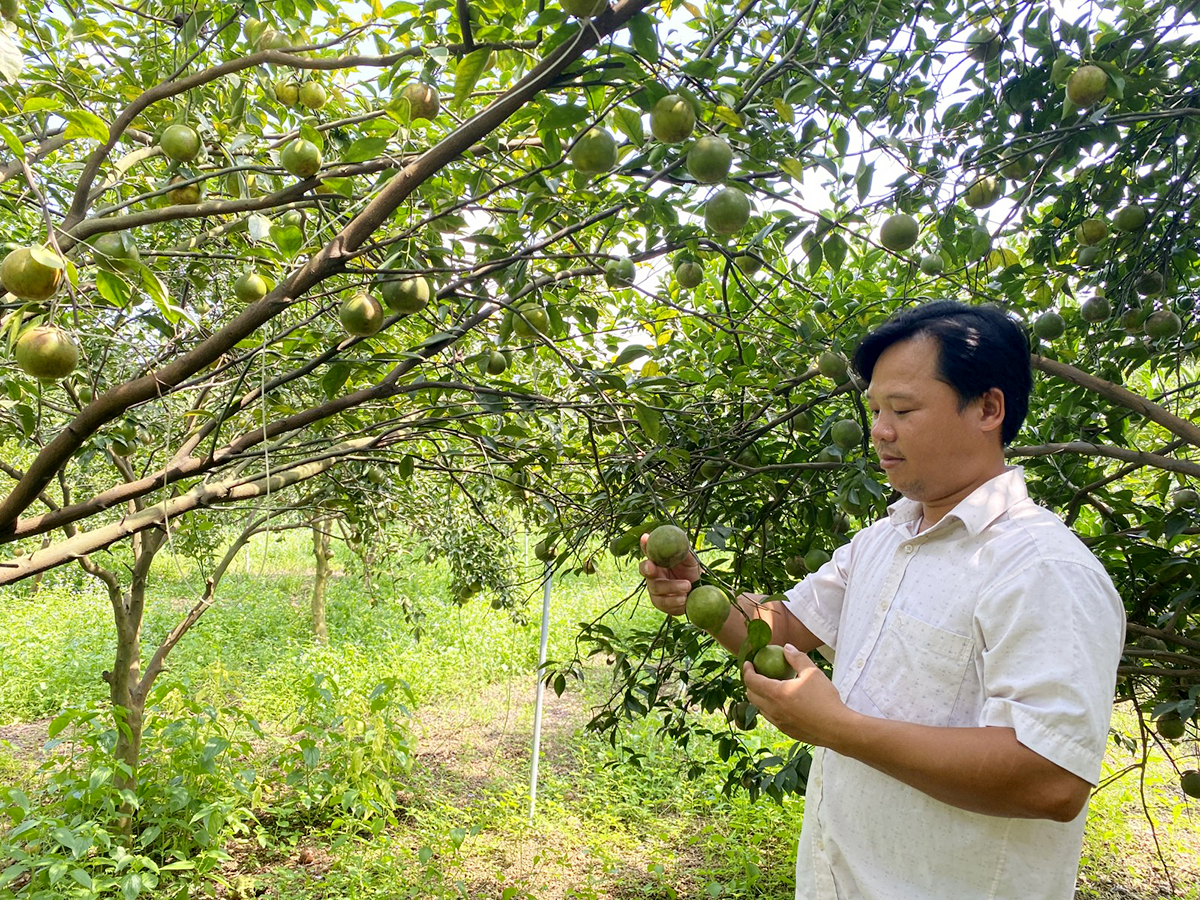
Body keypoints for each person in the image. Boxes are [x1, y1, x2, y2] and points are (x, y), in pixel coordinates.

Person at [640, 300, 1126, 899]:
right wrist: (698, 588)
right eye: (874, 410)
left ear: (988, 409)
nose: (879, 430)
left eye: (903, 409)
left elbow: (1051, 778)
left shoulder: (1043, 569)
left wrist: (838, 728)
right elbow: (781, 629)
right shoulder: (885, 539)